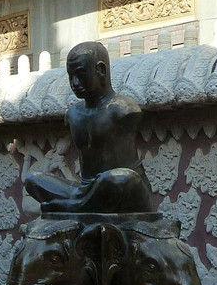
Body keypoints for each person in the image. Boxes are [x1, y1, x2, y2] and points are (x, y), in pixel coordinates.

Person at [25, 41, 152, 214]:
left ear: (100, 70)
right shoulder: (73, 115)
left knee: (119, 178)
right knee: (33, 180)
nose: (74, 83)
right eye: (71, 76)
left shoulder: (123, 109)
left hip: (122, 190)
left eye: (81, 74)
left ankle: (72, 206)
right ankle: (81, 205)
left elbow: (121, 178)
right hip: (85, 190)